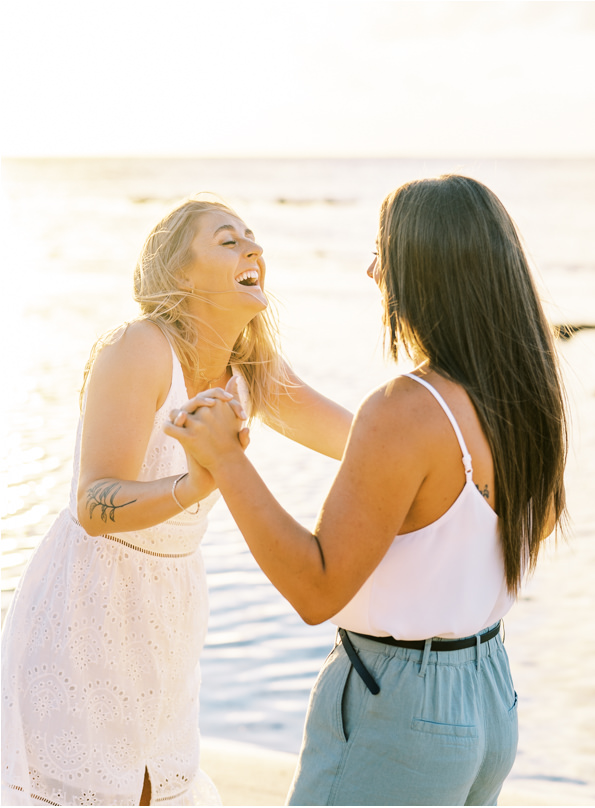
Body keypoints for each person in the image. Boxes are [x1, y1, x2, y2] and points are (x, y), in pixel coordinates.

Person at [166, 175, 567, 806]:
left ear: (423, 270)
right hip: (489, 695)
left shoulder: (405, 408)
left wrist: (225, 459)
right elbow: (500, 514)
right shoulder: (523, 399)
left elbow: (316, 589)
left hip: (398, 710)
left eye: (384, 251)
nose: (373, 270)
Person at [0, 198, 352, 805]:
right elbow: (93, 503)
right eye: (227, 240)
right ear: (181, 274)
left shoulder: (252, 368)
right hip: (88, 601)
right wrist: (194, 485)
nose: (253, 249)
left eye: (252, 237)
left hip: (172, 607)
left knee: (157, 786)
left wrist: (456, 444)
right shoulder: (138, 347)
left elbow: (360, 443)